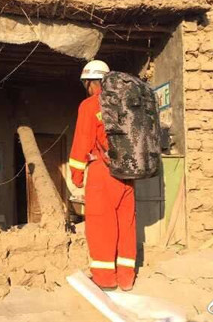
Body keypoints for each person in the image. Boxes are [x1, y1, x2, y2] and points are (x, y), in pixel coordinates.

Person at [68, 60, 137, 291]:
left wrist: (76, 175)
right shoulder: (127, 103)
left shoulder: (89, 105)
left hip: (103, 172)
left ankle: (105, 279)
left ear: (90, 82)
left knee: (100, 225)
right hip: (128, 173)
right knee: (125, 224)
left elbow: (82, 142)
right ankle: (126, 278)